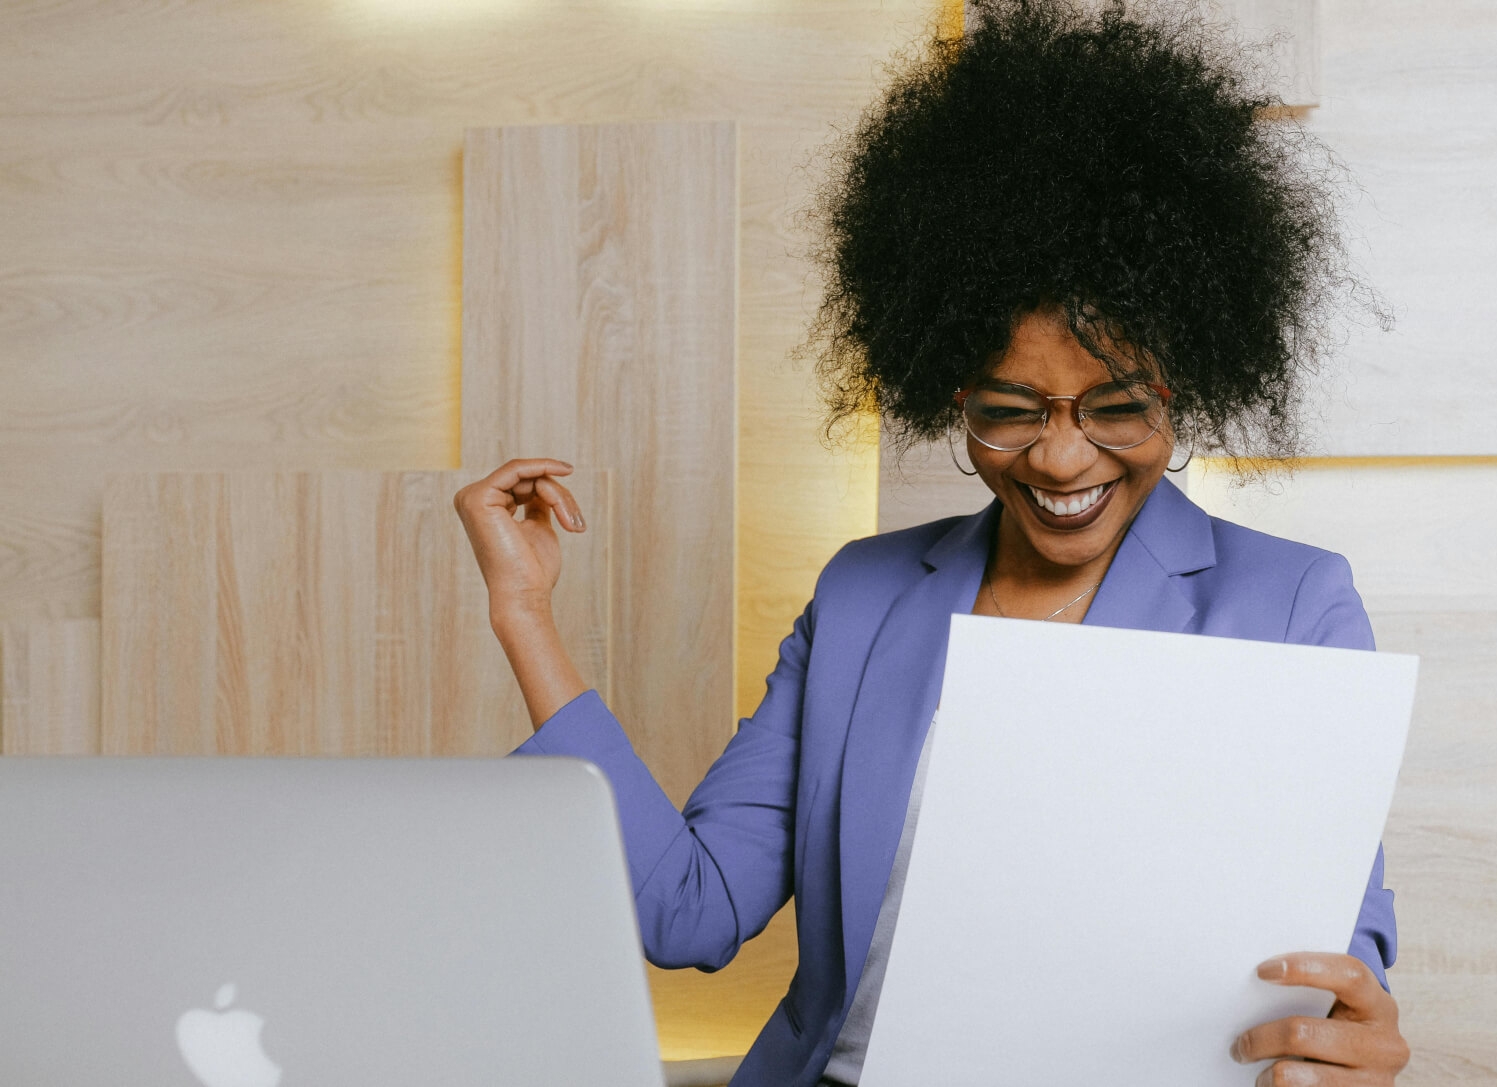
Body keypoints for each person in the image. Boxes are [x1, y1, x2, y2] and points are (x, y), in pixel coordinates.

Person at [454, 1, 1410, 1083]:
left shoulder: (1290, 607)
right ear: (950, 395)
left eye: (1115, 407)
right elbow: (689, 911)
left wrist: (1347, 1037)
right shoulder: (862, 597)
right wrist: (524, 615)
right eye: (1010, 410)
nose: (1061, 458)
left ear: (1179, 392)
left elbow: (1335, 952)